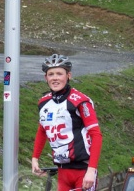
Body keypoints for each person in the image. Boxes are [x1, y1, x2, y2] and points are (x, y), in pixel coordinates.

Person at [32, 54, 103, 191]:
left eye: (59, 73)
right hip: (62, 172)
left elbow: (96, 135)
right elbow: (42, 131)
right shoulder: (43, 103)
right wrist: (35, 158)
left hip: (83, 170)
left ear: (68, 75)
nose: (55, 78)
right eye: (51, 74)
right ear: (45, 78)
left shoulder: (80, 101)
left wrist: (91, 170)